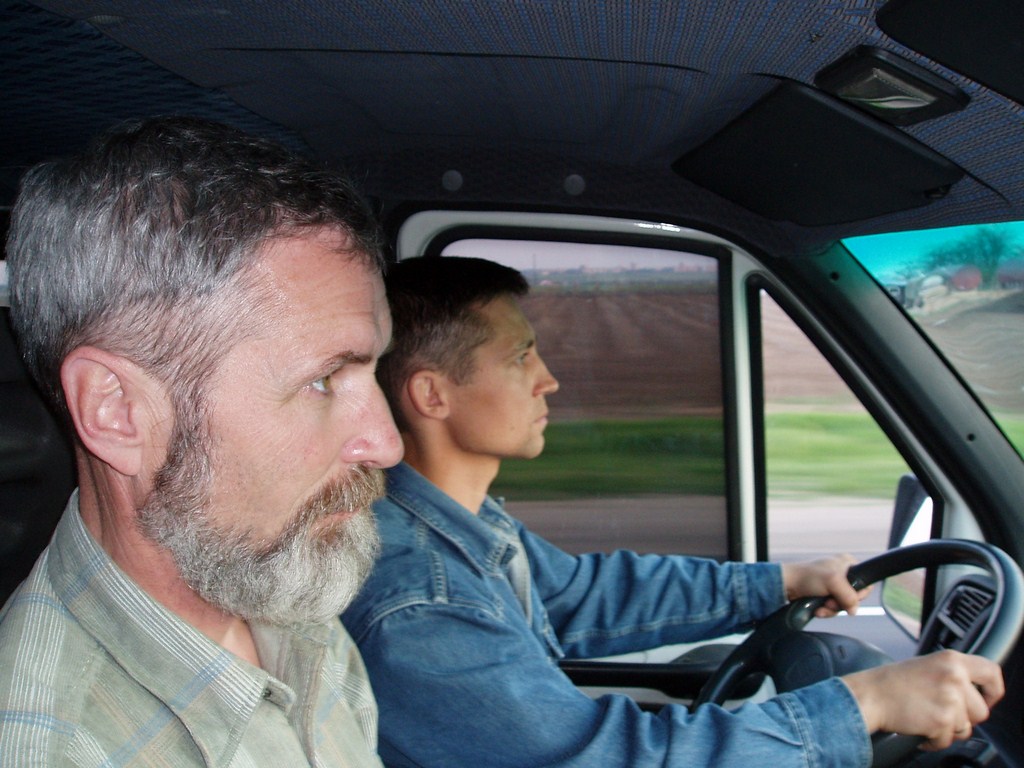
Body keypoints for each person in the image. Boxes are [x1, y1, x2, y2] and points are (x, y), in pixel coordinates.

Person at [340, 255, 1005, 768]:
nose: (549, 379)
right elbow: (610, 760)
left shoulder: (461, 526)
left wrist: (781, 582)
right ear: (432, 395)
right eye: (521, 356)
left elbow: (581, 596)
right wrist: (868, 702)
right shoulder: (419, 601)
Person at [0, 117, 405, 765]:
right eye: (323, 380)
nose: (386, 445)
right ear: (118, 410)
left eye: (373, 370)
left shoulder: (285, 594)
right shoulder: (51, 748)